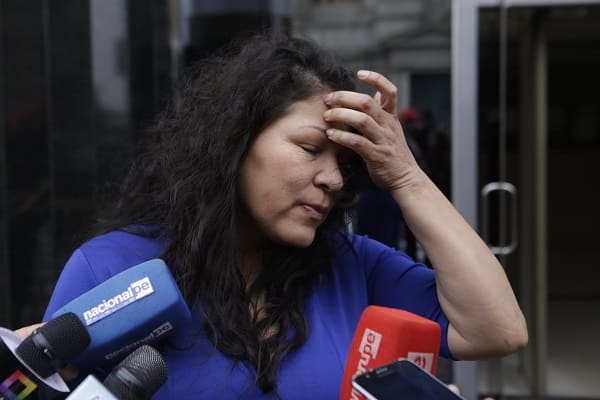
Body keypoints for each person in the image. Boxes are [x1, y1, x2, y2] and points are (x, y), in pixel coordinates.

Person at [24, 33, 527, 399]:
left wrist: (406, 177)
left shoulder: (353, 265)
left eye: (345, 163)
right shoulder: (111, 269)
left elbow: (498, 330)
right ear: (237, 145)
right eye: (310, 149)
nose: (333, 179)